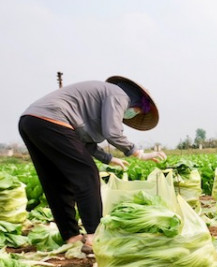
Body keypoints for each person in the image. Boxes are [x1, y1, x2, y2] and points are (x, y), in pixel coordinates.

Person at [18, 76, 167, 251]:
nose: (132, 113)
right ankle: (94, 235)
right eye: (137, 111)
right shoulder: (119, 95)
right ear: (137, 103)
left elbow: (82, 142)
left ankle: (71, 236)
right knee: (87, 175)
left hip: (30, 121)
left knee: (56, 181)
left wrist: (109, 158)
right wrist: (138, 153)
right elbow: (112, 132)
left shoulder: (99, 99)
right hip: (53, 119)